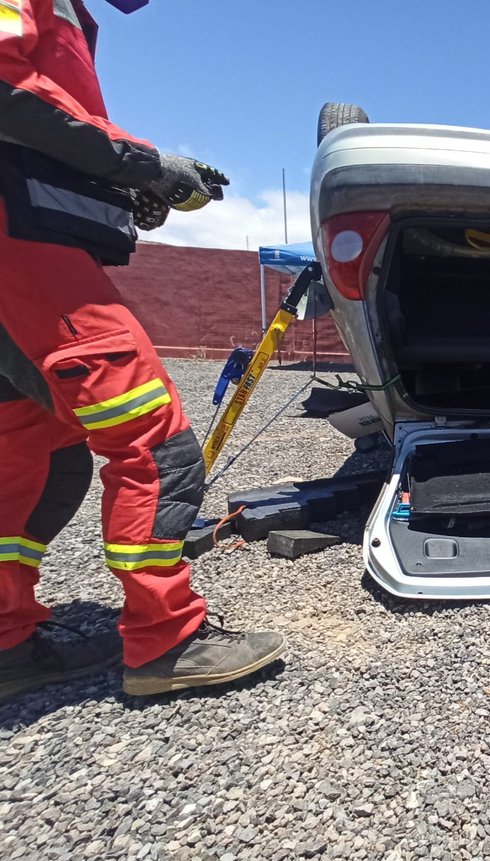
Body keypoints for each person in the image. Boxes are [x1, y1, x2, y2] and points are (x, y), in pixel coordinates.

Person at [0, 0, 286, 700]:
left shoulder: (60, 11)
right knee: (155, 446)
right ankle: (167, 640)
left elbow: (50, 120)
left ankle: (5, 643)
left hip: (24, 238)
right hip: (23, 247)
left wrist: (126, 181)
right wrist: (140, 164)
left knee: (34, 454)